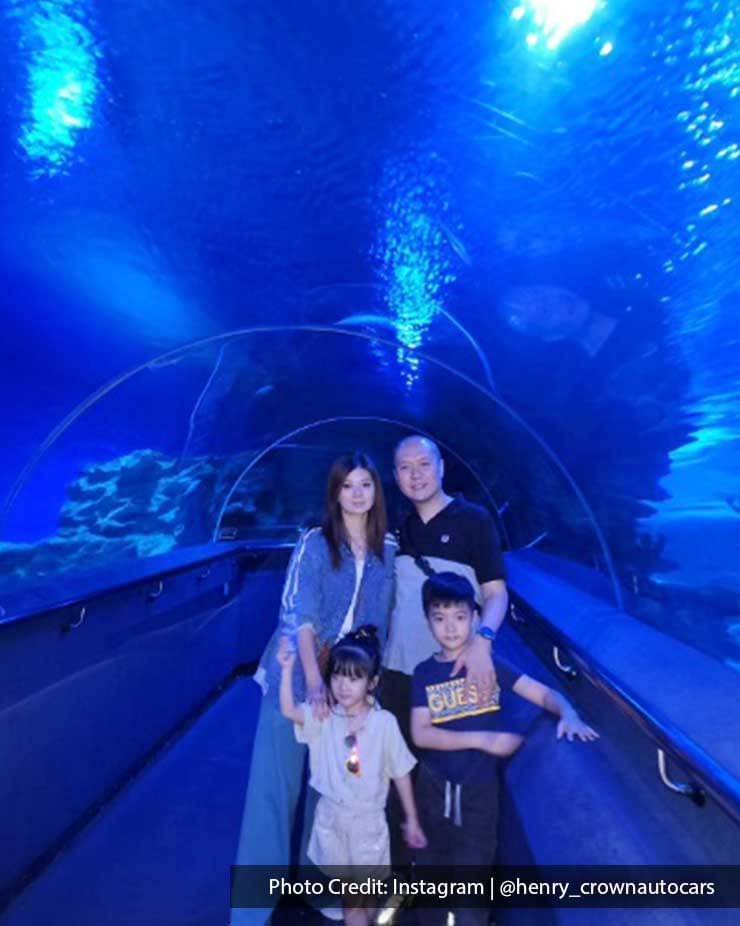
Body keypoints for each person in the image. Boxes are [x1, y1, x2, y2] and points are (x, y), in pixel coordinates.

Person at [230, 452, 397, 926]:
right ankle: (250, 910)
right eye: (348, 485)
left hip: (351, 687)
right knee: (273, 788)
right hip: (297, 677)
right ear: (335, 492)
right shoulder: (315, 543)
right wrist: (314, 681)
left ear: (375, 491)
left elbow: (378, 624)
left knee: (331, 791)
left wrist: (366, 691)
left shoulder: (388, 549)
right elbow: (300, 614)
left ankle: (318, 891)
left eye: (366, 483)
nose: (358, 493)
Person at [411, 572, 598, 925]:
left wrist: (568, 713)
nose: (450, 627)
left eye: (460, 617)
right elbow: (421, 734)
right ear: (427, 622)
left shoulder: (491, 666)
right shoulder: (424, 673)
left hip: (480, 793)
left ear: (476, 618)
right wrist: (484, 740)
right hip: (433, 788)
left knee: (474, 879)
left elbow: (544, 693)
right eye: (440, 618)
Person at [278, 627, 427, 926]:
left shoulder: (383, 724)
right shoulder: (325, 718)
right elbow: (289, 711)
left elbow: (400, 773)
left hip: (368, 825)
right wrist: (286, 670)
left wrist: (411, 818)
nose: (344, 686)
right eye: (337, 676)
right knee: (354, 898)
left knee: (361, 898)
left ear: (372, 682)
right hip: (332, 821)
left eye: (354, 677)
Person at [381, 435, 509, 749]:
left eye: (424, 465)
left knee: (454, 770)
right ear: (396, 476)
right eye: (405, 468)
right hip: (398, 669)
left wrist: (483, 644)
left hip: (456, 667)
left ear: (441, 468)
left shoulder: (474, 520)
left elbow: (496, 593)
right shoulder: (395, 528)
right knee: (400, 768)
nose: (416, 475)